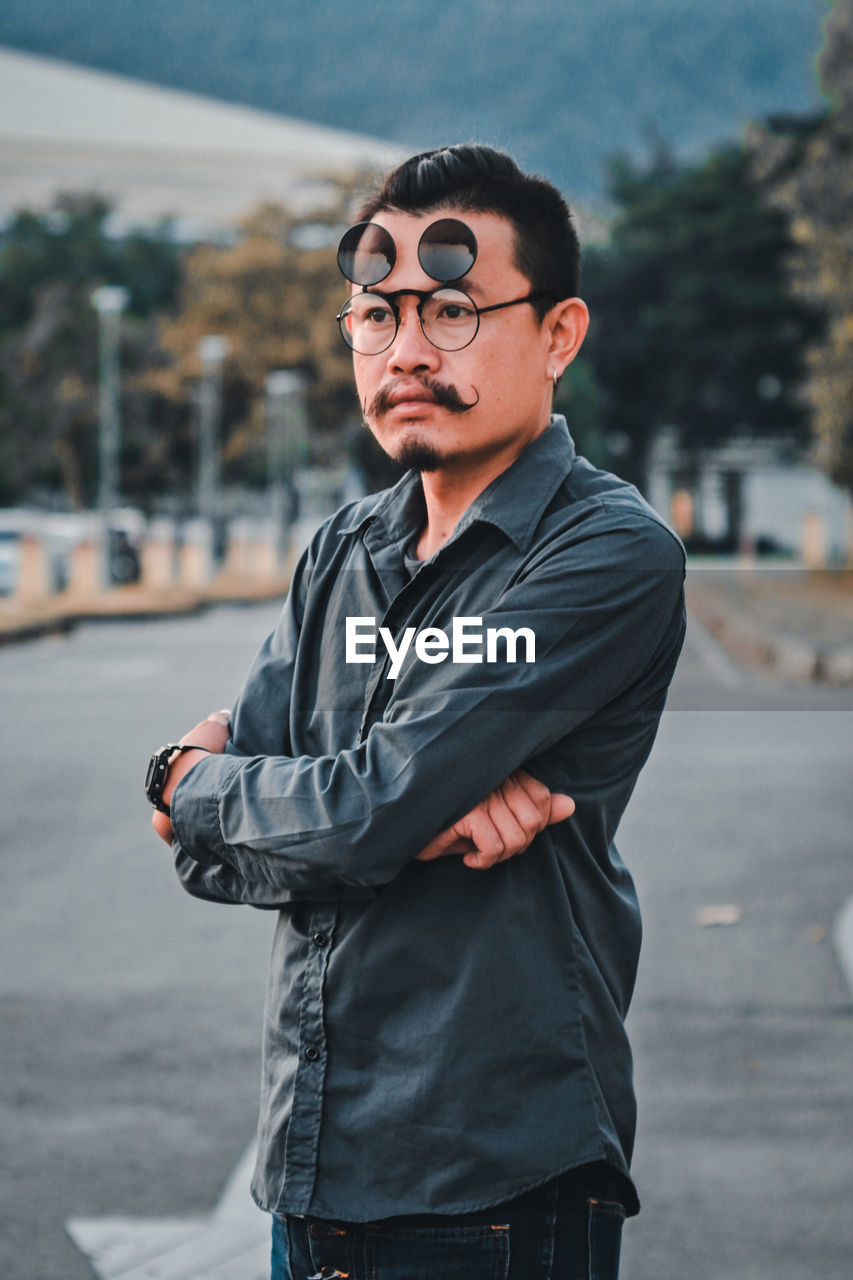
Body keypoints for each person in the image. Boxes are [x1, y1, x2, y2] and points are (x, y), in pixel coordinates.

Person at [146, 143, 686, 1280]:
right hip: (312, 1158)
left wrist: (211, 790)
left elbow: (351, 811)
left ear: (558, 333)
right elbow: (232, 846)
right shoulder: (343, 547)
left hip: (490, 1177)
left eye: (451, 311)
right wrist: (198, 791)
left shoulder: (604, 552)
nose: (404, 350)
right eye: (375, 315)